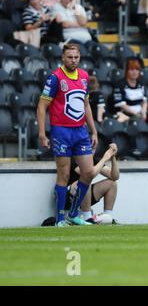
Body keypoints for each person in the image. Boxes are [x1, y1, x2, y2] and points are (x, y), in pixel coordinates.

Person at [36, 43, 97, 227]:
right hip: (61, 131)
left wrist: (93, 130)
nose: (73, 60)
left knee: (88, 172)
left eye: (76, 57)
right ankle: (60, 219)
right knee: (63, 174)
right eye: (69, 57)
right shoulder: (55, 78)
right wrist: (42, 133)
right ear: (63, 57)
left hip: (80, 131)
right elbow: (42, 106)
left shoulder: (84, 77)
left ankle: (73, 213)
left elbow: (86, 105)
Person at [66, 143, 120, 223]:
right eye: (89, 148)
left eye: (93, 148)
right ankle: (87, 217)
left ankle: (107, 217)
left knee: (112, 183)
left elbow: (115, 176)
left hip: (84, 196)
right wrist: (104, 158)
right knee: (85, 181)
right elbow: (89, 174)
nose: (91, 151)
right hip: (68, 197)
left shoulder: (94, 160)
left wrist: (112, 157)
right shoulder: (74, 158)